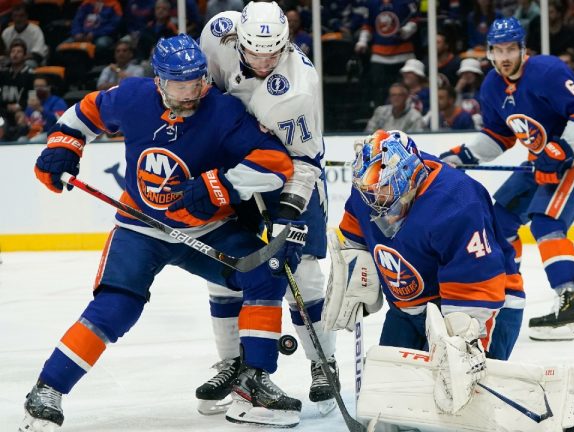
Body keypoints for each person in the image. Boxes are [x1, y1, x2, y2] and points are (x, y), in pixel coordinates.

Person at [20, 34, 307, 431]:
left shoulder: (222, 111)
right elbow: (85, 113)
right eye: (180, 84)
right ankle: (47, 390)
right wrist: (65, 145)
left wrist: (216, 187)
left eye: (198, 82)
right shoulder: (133, 96)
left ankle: (253, 381)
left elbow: (275, 163)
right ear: (158, 81)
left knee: (264, 272)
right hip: (140, 228)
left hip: (206, 231)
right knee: (115, 308)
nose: (191, 93)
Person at [198, 1, 338, 417]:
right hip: (233, 166)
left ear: (286, 44)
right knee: (226, 265)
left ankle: (322, 363)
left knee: (305, 272)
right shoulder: (215, 34)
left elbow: (307, 161)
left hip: (290, 173)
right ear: (238, 39)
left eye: (271, 54)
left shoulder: (300, 84)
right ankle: (232, 362)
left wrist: (288, 214)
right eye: (254, 52)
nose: (262, 62)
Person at [440, 17, 574, 341]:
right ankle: (506, 288)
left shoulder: (547, 71)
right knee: (498, 223)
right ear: (489, 52)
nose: (504, 57)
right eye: (498, 50)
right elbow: (498, 135)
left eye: (510, 49)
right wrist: (460, 155)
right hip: (541, 162)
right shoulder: (492, 84)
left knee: (546, 224)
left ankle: (569, 304)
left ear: (522, 49)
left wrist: (560, 150)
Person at [323, 129, 524, 365]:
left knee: (453, 387)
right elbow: (354, 233)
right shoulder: (371, 187)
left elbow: (477, 281)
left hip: (482, 303)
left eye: (382, 189)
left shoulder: (457, 202)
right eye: (368, 191)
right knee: (386, 384)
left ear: (406, 174)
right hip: (409, 308)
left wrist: (460, 337)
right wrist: (355, 271)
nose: (373, 199)